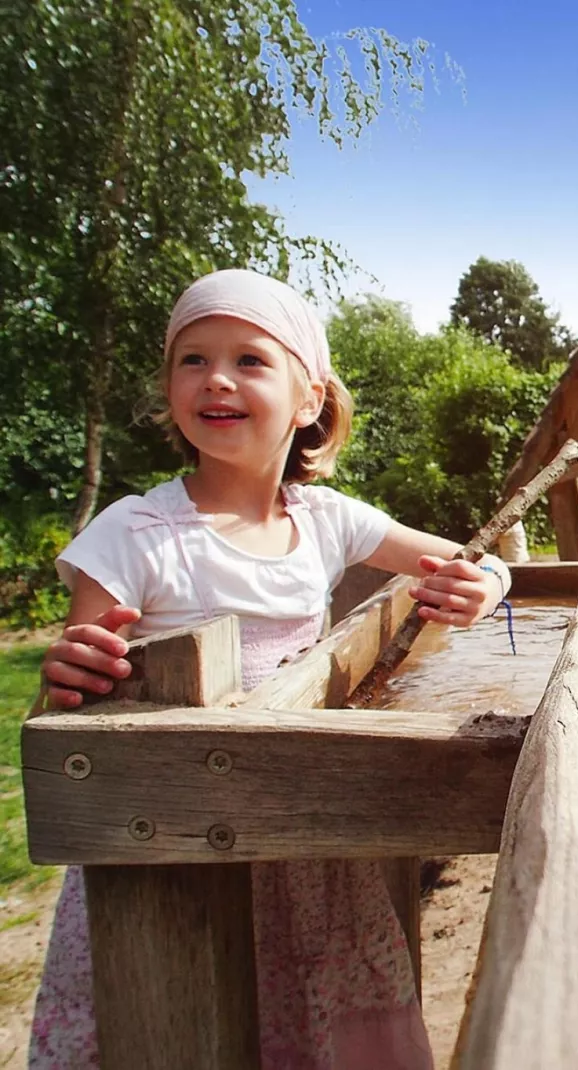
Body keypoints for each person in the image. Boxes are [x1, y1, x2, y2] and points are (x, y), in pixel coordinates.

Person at [30, 269, 511, 1070]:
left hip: (301, 835)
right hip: (170, 849)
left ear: (310, 398)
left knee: (312, 1022)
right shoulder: (136, 534)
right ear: (170, 389)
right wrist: (72, 675)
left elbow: (468, 562)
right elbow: (70, 709)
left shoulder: (325, 518)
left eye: (249, 360)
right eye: (192, 360)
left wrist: (483, 584)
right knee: (182, 1024)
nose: (216, 378)